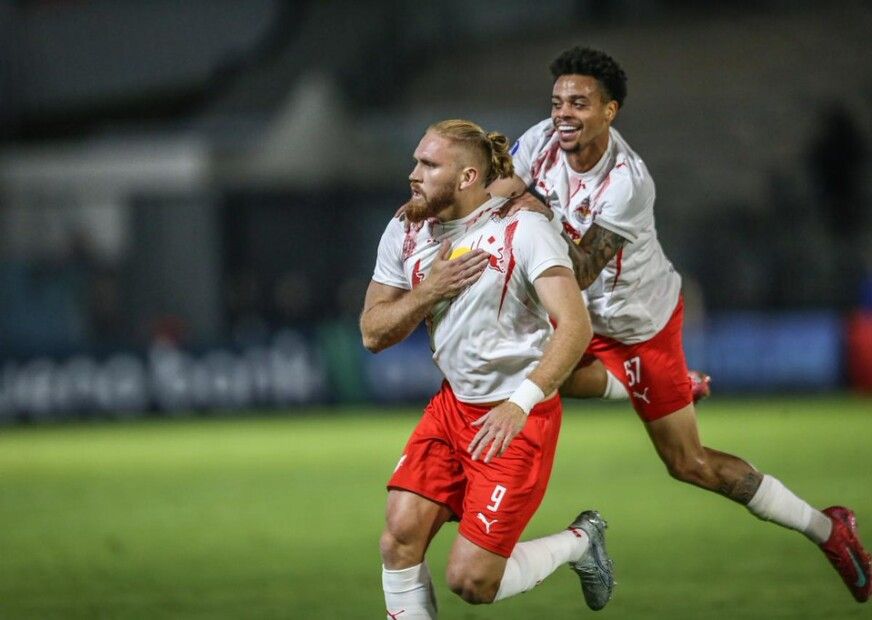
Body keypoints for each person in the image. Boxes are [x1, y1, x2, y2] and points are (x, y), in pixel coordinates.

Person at [489, 46, 871, 604]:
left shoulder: (626, 181)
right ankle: (649, 390)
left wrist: (528, 216)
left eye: (579, 102)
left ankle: (828, 528)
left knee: (688, 464)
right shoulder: (539, 142)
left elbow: (577, 269)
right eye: (557, 102)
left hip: (638, 324)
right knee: (525, 367)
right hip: (578, 314)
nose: (563, 114)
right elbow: (498, 197)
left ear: (610, 110)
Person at [360, 119, 615, 618]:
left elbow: (576, 327)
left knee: (472, 581)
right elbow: (373, 333)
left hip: (516, 418)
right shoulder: (406, 230)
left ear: (467, 177)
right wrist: (428, 291)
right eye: (416, 160)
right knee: (399, 540)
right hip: (452, 407)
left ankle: (581, 542)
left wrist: (521, 403)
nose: (413, 174)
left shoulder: (523, 230)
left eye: (429, 165)